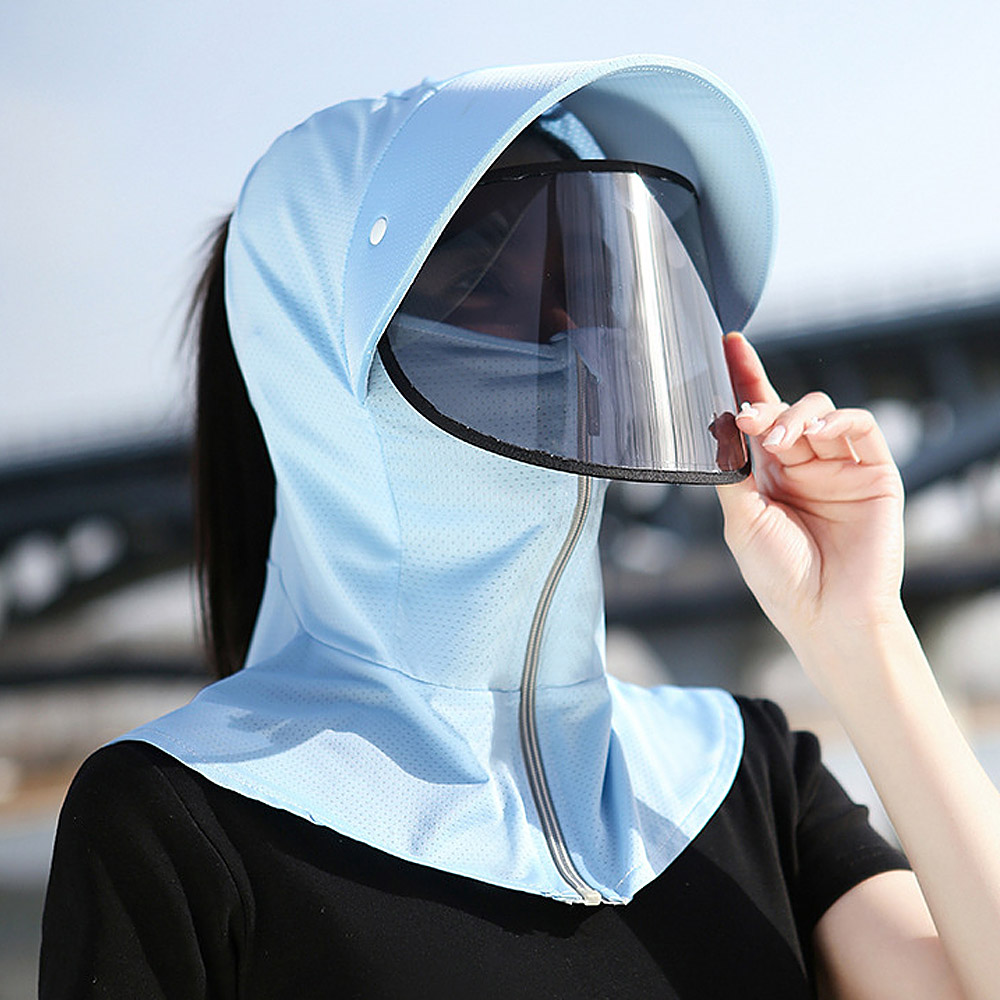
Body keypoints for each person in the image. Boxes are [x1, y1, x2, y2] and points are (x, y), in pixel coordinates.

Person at [40, 55, 1000, 999]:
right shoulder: (180, 818)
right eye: (486, 265)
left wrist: (860, 628)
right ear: (325, 350)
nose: (573, 320)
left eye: (590, 263)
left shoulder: (739, 769)